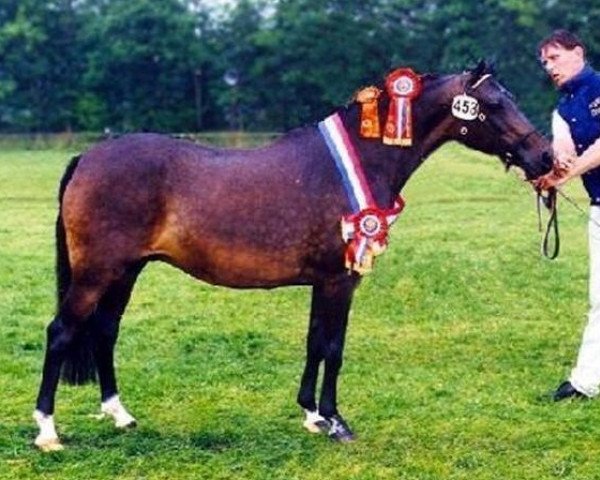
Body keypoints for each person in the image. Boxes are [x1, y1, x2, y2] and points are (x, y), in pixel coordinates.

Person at [537, 29, 600, 400]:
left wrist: (570, 172)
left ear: (578, 53)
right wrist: (551, 175)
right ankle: (585, 383)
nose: (549, 66)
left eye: (555, 57)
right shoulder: (561, 111)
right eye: (544, 62)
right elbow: (563, 150)